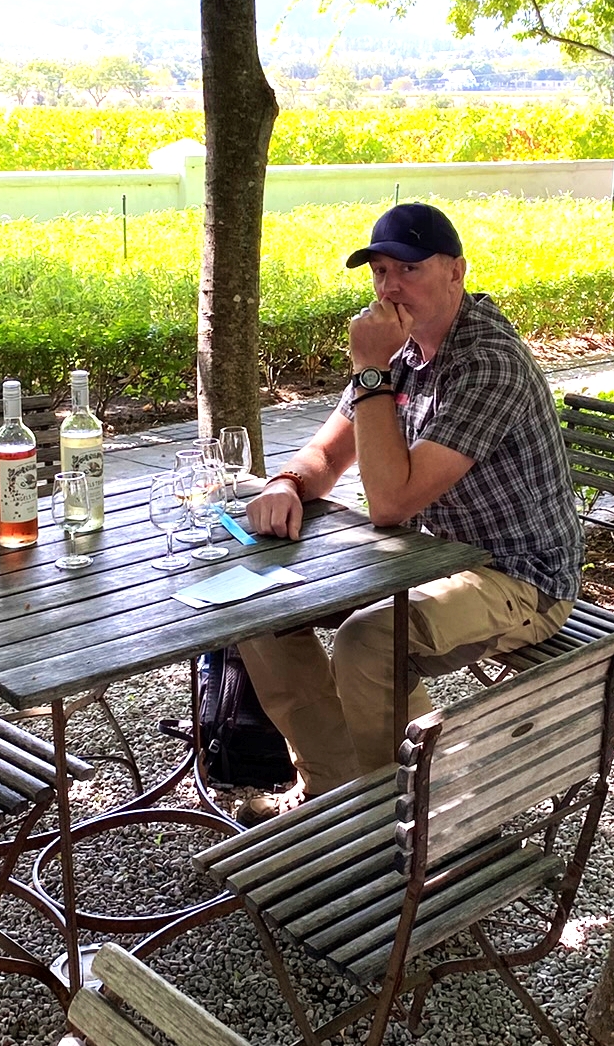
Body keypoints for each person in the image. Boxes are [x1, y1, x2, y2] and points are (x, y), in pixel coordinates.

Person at [236, 203, 583, 815]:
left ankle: (421, 815)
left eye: (409, 269)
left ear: (456, 272)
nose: (389, 287)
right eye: (379, 271)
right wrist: (286, 483)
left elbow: (390, 502)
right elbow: (327, 453)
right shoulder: (402, 353)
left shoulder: (486, 363)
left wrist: (369, 371)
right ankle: (335, 793)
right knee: (260, 608)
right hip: (426, 559)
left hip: (521, 577)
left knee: (369, 641)